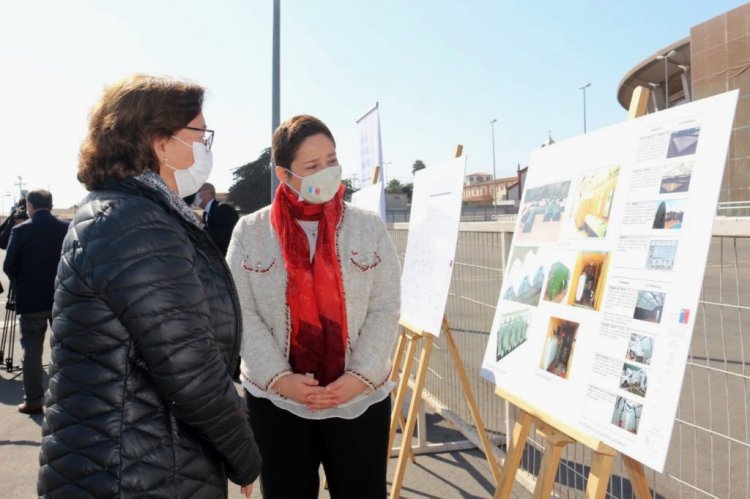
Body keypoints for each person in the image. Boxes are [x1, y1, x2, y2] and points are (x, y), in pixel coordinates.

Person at [37, 74, 261, 498]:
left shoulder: (125, 211)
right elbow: (190, 367)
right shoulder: (136, 223)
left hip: (127, 458)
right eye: (200, 134)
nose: (206, 148)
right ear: (160, 142)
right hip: (135, 470)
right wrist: (244, 457)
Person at [228, 114, 401, 498]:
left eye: (332, 160)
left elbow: (386, 306)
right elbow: (242, 312)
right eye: (312, 166)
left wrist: (359, 377)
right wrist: (281, 379)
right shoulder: (251, 231)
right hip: (278, 404)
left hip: (359, 400)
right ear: (285, 175)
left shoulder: (368, 226)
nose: (327, 172)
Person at [2, 190, 68, 414]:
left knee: (31, 351)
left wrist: (22, 281)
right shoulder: (65, 227)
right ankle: (68, 398)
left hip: (30, 300)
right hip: (61, 297)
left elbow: (8, 266)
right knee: (66, 348)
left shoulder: (21, 230)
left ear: (30, 205)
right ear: (51, 205)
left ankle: (33, 400)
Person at [196, 182, 239, 255]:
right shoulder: (205, 213)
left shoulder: (224, 209)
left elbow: (225, 238)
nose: (195, 196)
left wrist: (202, 226)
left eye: (198, 192)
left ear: (208, 193)